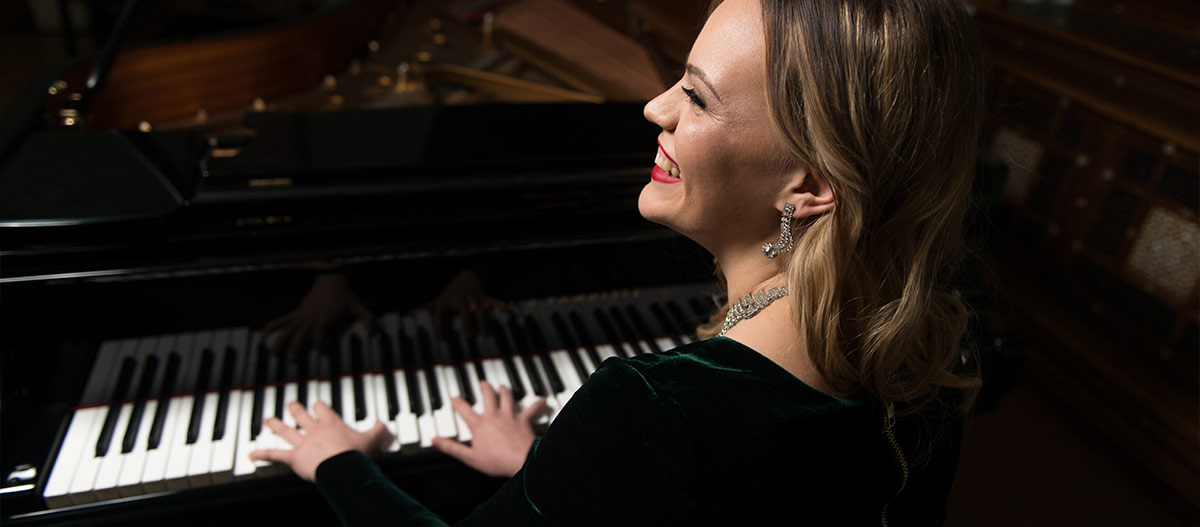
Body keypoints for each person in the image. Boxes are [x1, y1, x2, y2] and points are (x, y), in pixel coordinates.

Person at [249, 0, 987, 524]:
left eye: (696, 97)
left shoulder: (652, 408)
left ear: (813, 185)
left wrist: (338, 461)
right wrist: (553, 470)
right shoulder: (928, 355)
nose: (654, 107)